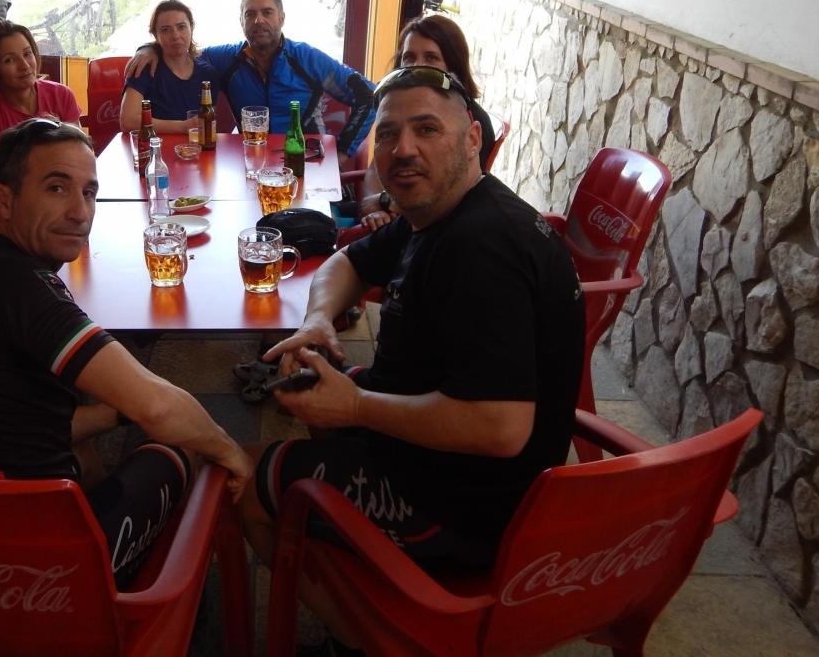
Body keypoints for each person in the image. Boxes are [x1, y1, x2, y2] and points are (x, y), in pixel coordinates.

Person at [239, 65, 584, 653]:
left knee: (241, 478)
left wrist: (356, 406)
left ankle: (371, 641)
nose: (403, 149)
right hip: (446, 457)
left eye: (427, 129)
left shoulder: (483, 248)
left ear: (472, 138)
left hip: (466, 507)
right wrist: (318, 319)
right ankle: (362, 570)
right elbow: (346, 263)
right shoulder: (443, 211)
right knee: (314, 393)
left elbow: (500, 428)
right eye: (389, 133)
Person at [0, 118, 253, 586]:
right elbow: (157, 406)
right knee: (184, 446)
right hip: (30, 555)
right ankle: (171, 599)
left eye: (89, 193)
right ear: (3, 199)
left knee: (111, 420)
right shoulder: (24, 289)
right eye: (56, 188)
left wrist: (117, 413)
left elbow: (27, 422)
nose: (79, 212)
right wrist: (232, 451)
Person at [126, 0, 375, 167]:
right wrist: (149, 48)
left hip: (307, 161)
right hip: (251, 164)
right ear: (241, 21)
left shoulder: (307, 59)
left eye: (267, 12)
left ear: (282, 18)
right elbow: (182, 52)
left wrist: (343, 152)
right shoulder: (226, 59)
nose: (258, 20)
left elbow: (368, 95)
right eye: (250, 14)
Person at [357, 13, 496, 230]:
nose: (417, 66)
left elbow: (445, 196)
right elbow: (375, 169)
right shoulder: (400, 111)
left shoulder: (468, 121)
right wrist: (372, 205)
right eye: (409, 57)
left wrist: (381, 202)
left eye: (431, 58)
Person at [0, 19, 82, 173]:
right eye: (9, 60)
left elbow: (81, 152)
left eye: (27, 53)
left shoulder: (61, 95)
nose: (24, 65)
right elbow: (3, 179)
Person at [119, 0, 219, 133]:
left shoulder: (208, 74)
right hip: (155, 145)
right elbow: (128, 121)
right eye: (165, 30)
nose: (175, 35)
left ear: (191, 28)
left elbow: (210, 125)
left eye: (181, 27)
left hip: (196, 145)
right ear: (155, 35)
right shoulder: (144, 67)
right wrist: (182, 127)